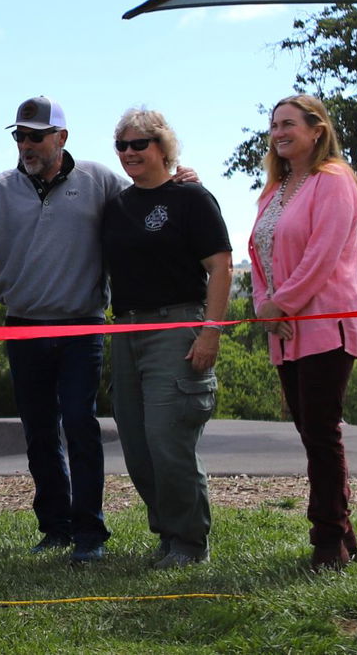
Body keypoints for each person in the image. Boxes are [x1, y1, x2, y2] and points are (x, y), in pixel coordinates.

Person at [0, 95, 124, 563]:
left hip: (82, 326)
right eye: (19, 137)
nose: (26, 145)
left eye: (35, 136)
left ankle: (89, 531)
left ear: (62, 138)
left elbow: (140, 205)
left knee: (79, 423)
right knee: (39, 431)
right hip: (23, 327)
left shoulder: (99, 181)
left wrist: (179, 180)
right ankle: (55, 527)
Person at [100, 108, 232, 568]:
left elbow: (220, 267)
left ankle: (190, 543)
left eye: (141, 144)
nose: (131, 153)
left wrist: (210, 332)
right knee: (136, 446)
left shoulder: (191, 199)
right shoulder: (115, 205)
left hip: (177, 327)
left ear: (162, 147)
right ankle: (168, 534)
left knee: (167, 440)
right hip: (126, 330)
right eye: (123, 146)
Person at [250, 94, 357, 571]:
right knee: (310, 431)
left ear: (316, 130)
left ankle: (327, 542)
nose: (279, 132)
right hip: (283, 329)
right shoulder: (274, 190)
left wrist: (283, 303)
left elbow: (322, 255)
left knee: (321, 432)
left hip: (325, 325)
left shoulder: (334, 181)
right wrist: (263, 307)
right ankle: (344, 534)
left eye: (289, 124)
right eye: (274, 125)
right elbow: (259, 255)